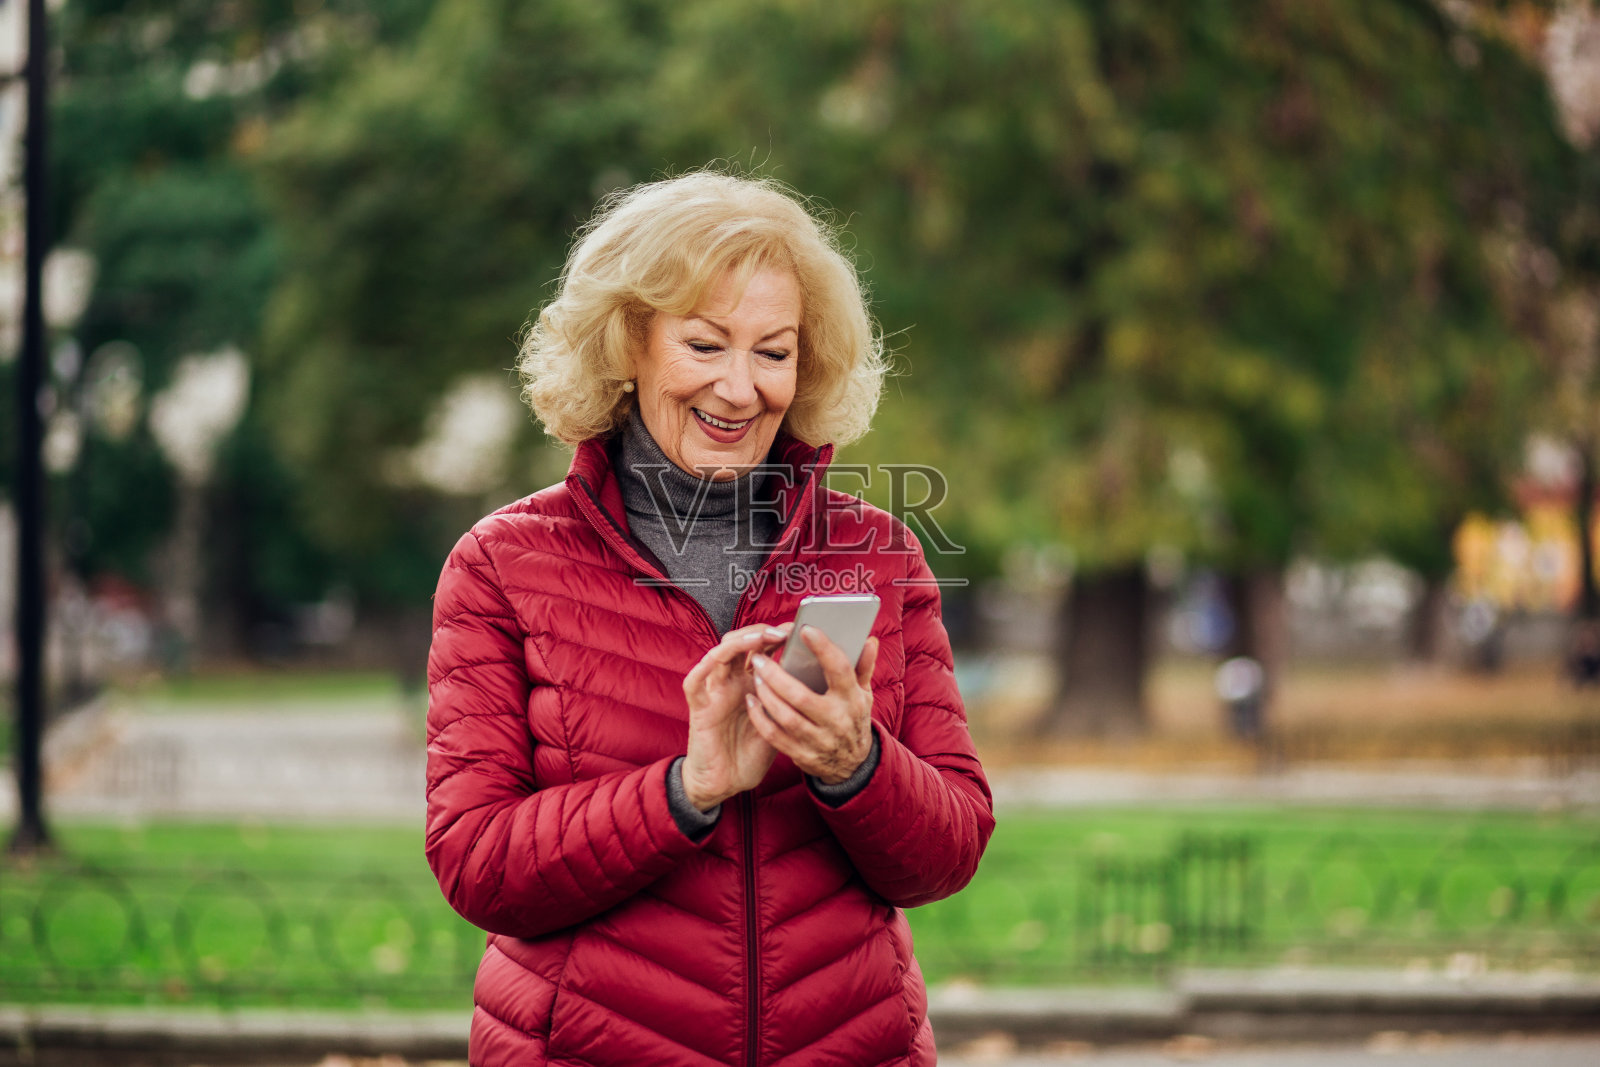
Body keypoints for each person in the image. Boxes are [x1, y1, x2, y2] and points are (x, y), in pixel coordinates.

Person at [425, 170, 994, 1067]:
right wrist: (684, 789)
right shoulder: (502, 564)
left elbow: (947, 853)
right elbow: (478, 861)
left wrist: (856, 764)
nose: (739, 389)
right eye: (704, 345)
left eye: (773, 352)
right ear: (629, 345)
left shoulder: (879, 556)